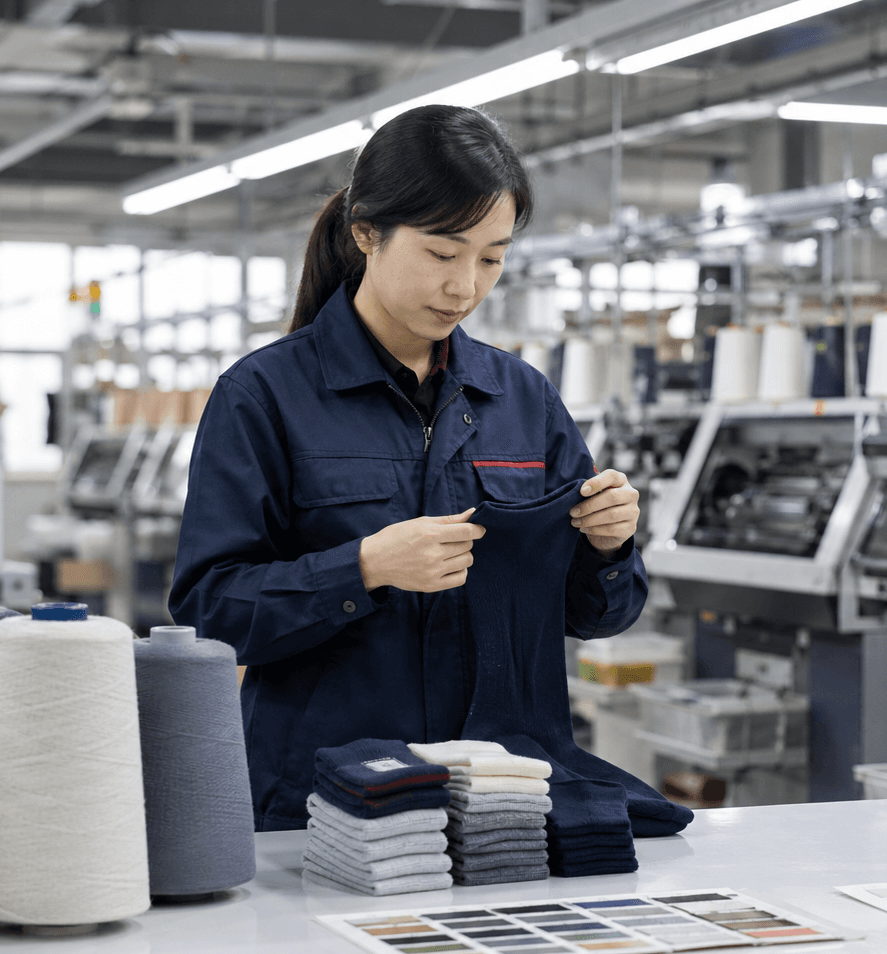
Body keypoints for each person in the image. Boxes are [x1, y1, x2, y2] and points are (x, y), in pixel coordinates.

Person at [169, 105, 648, 831]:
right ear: (368, 233)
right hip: (325, 803)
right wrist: (361, 568)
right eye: (443, 252)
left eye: (492, 257)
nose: (466, 286)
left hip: (498, 801)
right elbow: (210, 610)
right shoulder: (265, 396)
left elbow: (594, 615)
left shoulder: (522, 399)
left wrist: (609, 548)